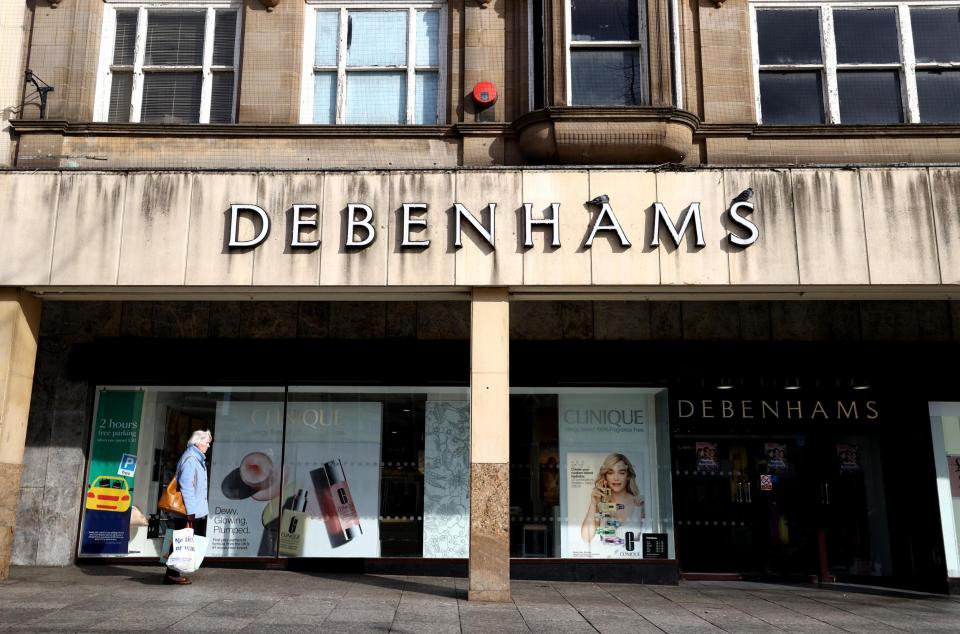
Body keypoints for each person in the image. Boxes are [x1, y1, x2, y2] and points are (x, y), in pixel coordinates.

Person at [164, 429, 212, 585]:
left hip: (190, 509)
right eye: (206, 442)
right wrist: (191, 512)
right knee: (181, 540)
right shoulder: (191, 459)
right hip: (187, 510)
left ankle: (173, 571)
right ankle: (172, 573)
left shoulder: (195, 458)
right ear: (197, 442)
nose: (208, 445)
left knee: (181, 539)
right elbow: (186, 486)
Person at [580, 453, 644, 543]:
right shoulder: (601, 505)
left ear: (628, 476)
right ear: (605, 476)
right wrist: (593, 504)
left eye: (621, 472)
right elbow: (586, 537)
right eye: (610, 472)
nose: (616, 478)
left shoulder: (640, 503)